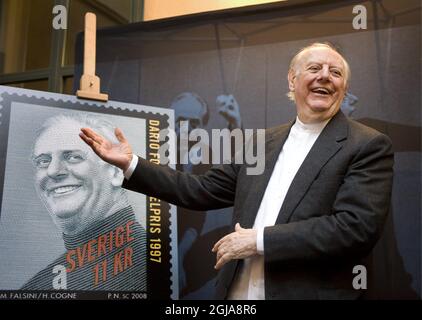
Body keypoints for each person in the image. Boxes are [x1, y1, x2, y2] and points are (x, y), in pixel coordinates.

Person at [80, 42, 394, 299]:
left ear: (344, 86)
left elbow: (354, 228)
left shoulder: (367, 145)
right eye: (314, 68)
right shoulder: (263, 142)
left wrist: (258, 241)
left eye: (335, 72)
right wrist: (131, 163)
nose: (325, 76)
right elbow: (199, 190)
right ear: (292, 80)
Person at [23, 113, 146, 291]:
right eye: (43, 161)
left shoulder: (157, 265)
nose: (53, 171)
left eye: (73, 157)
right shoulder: (38, 287)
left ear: (116, 172)